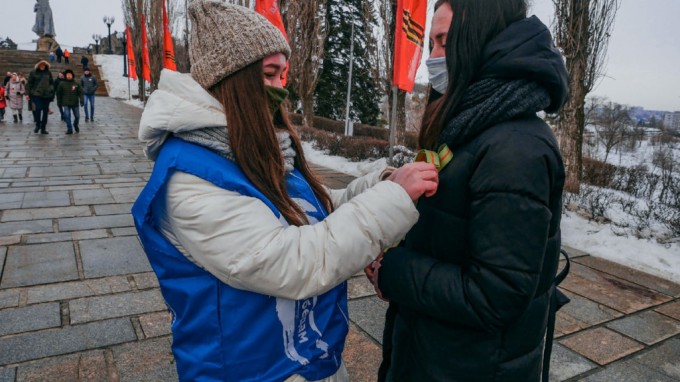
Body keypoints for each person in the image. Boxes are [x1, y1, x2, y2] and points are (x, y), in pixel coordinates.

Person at [131, 1, 438, 380]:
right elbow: (294, 261)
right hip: (253, 370)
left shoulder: (250, 147)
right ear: (232, 79)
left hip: (303, 360)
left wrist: (379, 186)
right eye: (269, 75)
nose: (281, 88)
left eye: (283, 74)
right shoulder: (191, 179)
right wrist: (391, 202)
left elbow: (310, 211)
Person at [367, 0, 569, 381]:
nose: (434, 57)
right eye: (430, 44)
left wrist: (392, 270)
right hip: (438, 351)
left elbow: (496, 294)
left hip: (472, 365)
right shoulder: (475, 121)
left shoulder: (516, 148)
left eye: (444, 41)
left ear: (478, 38)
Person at [27, 60, 54, 134]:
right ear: (38, 65)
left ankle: (43, 128)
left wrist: (50, 88)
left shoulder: (48, 72)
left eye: (44, 65)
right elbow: (29, 84)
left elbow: (51, 82)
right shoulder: (33, 72)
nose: (43, 66)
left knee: (45, 112)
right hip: (36, 94)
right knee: (37, 110)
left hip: (46, 94)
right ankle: (38, 125)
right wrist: (28, 93)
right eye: (41, 65)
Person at [56, 69, 83, 134]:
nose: (68, 76)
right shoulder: (62, 84)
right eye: (67, 75)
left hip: (75, 103)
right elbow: (58, 94)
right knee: (67, 116)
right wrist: (59, 102)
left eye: (70, 75)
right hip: (65, 103)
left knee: (77, 116)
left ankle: (75, 125)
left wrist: (82, 100)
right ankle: (69, 129)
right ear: (65, 76)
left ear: (72, 76)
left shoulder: (76, 83)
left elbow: (80, 93)